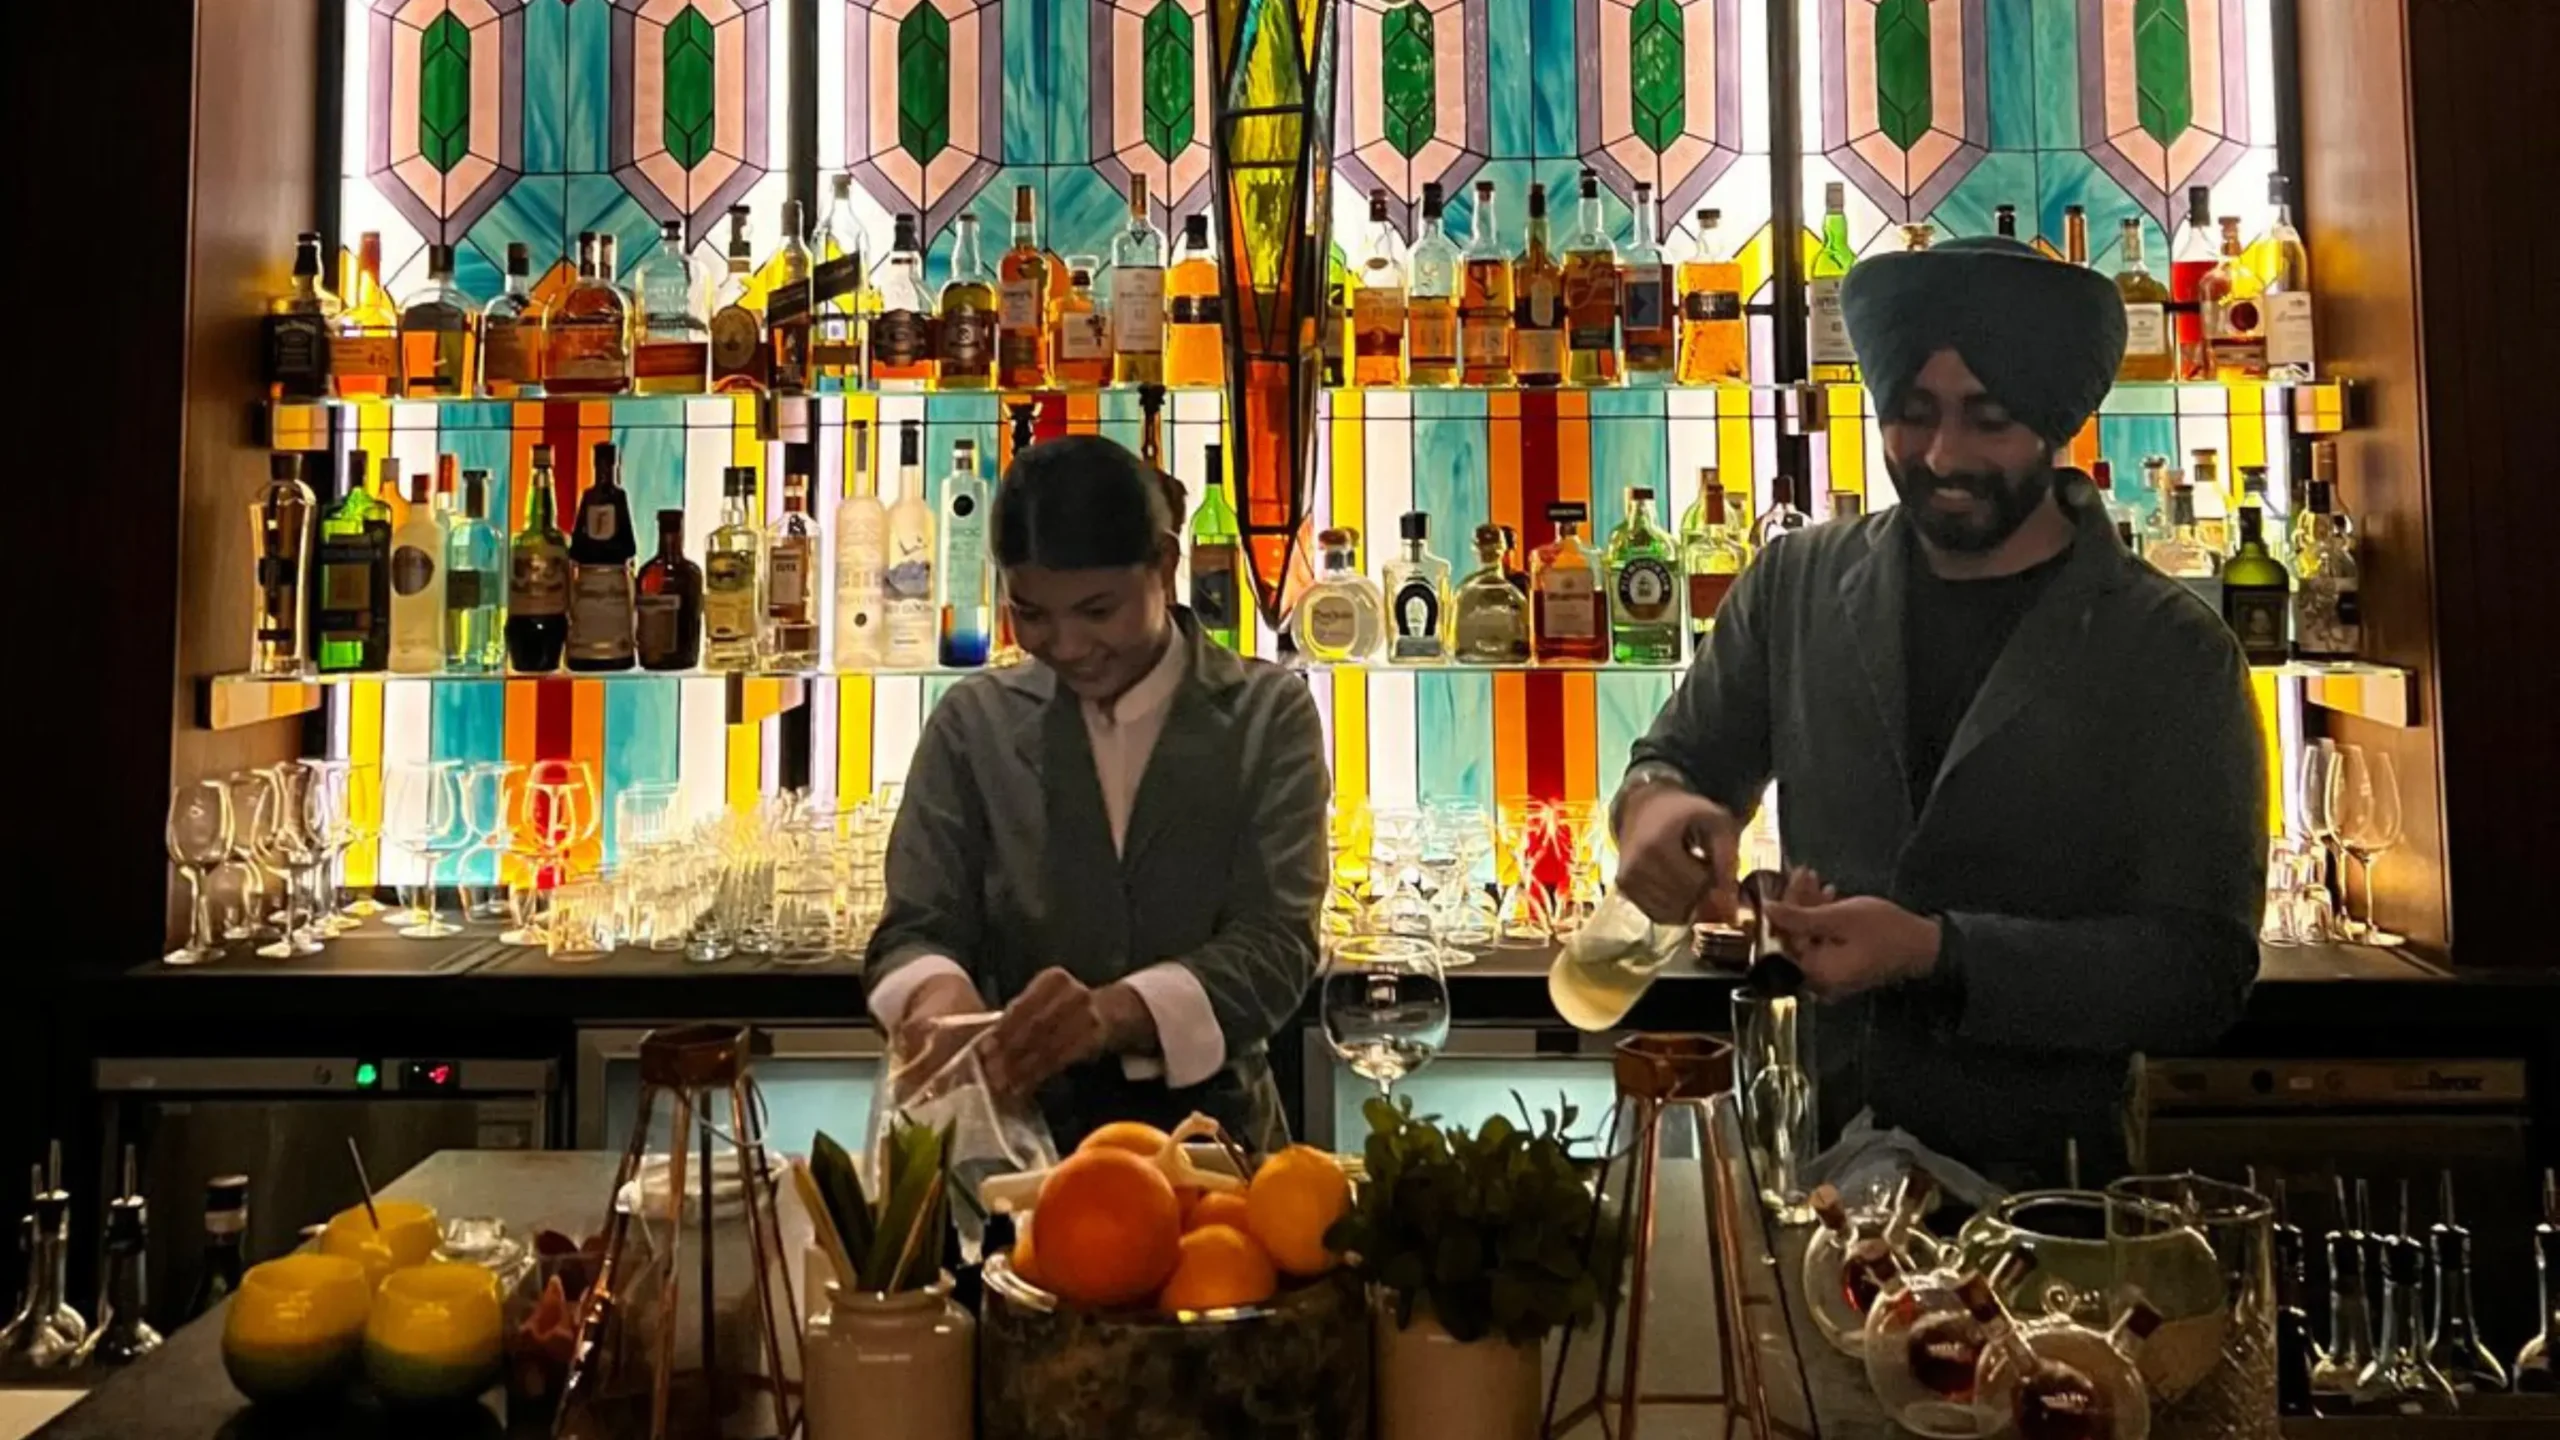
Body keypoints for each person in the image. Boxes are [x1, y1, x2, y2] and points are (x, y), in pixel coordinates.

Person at [1611, 236, 2266, 1187]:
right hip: (1812, 1174)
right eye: (1912, 417)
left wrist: (1937, 952)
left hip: (2045, 1203)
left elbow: (2199, 971)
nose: (1944, 456)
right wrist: (1658, 811)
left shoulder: (2171, 651)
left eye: (1987, 420)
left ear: (2056, 423)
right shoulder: (1796, 584)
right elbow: (1677, 763)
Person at [865, 434, 1328, 1153]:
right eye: (1034, 614)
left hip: (1214, 1160)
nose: (1069, 644)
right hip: (1016, 1155)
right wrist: (935, 999)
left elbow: (1275, 949)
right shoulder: (973, 722)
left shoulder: (1268, 715)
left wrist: (1111, 1015)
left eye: (1098, 610)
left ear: (1166, 566)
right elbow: (915, 928)